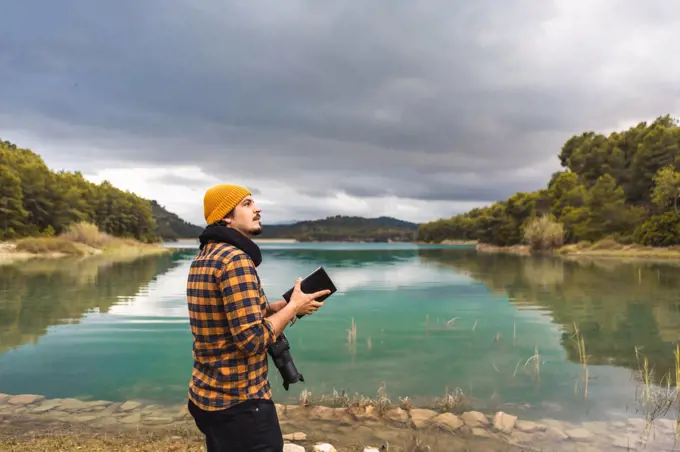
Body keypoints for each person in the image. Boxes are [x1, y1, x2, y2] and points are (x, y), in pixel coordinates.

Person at [186, 183, 330, 452]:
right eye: (247, 204)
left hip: (206, 398)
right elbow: (252, 340)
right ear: (227, 216)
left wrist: (279, 307)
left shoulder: (204, 257)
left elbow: (227, 316)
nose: (258, 208)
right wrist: (291, 308)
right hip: (240, 404)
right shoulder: (235, 260)